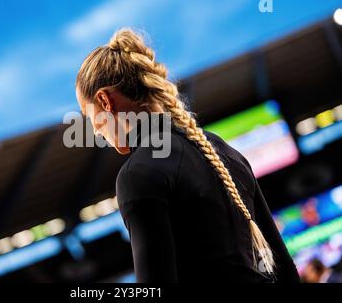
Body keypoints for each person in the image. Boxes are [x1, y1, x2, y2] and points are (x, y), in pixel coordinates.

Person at [75, 28, 300, 283]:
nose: (93, 129)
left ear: (105, 101)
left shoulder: (136, 175)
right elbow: (286, 270)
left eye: (88, 115)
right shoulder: (221, 149)